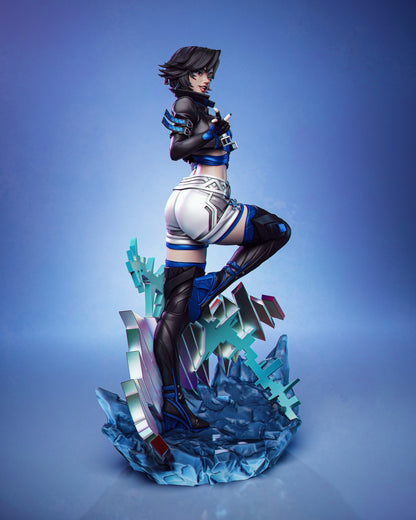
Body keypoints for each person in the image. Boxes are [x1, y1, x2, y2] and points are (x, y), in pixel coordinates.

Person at [154, 46, 291, 432]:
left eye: (209, 73)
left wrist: (211, 131)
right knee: (278, 231)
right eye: (200, 72)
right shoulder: (186, 105)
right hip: (205, 203)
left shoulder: (195, 106)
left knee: (175, 313)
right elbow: (176, 150)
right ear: (185, 73)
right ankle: (215, 284)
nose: (207, 78)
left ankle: (172, 403)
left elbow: (188, 146)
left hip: (181, 204)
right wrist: (211, 134)